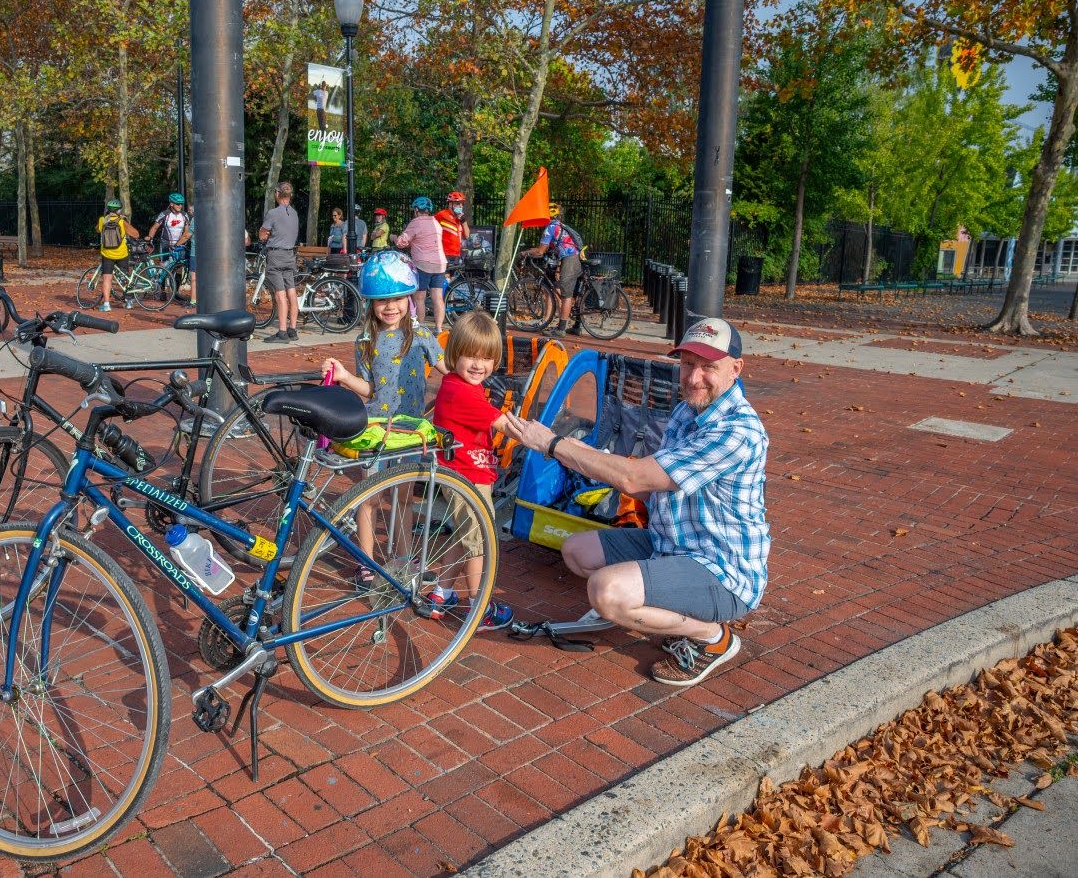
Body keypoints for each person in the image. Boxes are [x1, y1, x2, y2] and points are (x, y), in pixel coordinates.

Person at [504, 317, 769, 687]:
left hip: (721, 569)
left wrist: (552, 445)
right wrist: (573, 449)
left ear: (735, 369)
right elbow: (649, 488)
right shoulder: (687, 410)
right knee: (576, 550)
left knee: (606, 591)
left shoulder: (736, 431)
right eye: (688, 364)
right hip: (671, 545)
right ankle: (652, 602)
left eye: (709, 367)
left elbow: (634, 478)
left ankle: (712, 637)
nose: (694, 378)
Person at [320, 250, 446, 587]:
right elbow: (370, 389)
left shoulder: (421, 337)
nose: (389, 307)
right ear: (370, 303)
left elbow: (448, 371)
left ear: (409, 298)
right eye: (381, 301)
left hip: (408, 432)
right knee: (369, 497)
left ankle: (402, 558)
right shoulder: (365, 340)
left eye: (396, 298)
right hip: (375, 429)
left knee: (403, 498)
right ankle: (365, 562)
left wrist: (470, 379)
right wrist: (345, 376)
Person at [429, 310, 517, 631]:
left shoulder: (458, 384)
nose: (479, 365)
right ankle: (480, 607)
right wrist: (537, 437)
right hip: (468, 478)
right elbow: (501, 422)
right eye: (471, 356)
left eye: (487, 358)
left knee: (466, 535)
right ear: (454, 355)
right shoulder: (461, 392)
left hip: (466, 474)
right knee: (479, 541)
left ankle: (442, 593)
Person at [519, 202, 582, 338]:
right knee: (570, 292)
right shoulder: (560, 225)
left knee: (566, 295)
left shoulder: (550, 228)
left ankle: (561, 329)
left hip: (569, 259)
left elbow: (541, 251)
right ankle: (577, 325)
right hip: (572, 257)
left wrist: (526, 252)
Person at [394, 196, 447, 334]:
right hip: (440, 264)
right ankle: (439, 328)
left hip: (423, 264)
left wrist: (394, 237)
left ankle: (420, 327)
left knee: (419, 297)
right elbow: (425, 241)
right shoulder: (436, 223)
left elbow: (401, 242)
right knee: (437, 297)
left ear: (417, 210)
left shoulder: (416, 222)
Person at [258, 181, 300, 343]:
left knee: (280, 294)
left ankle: (282, 332)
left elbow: (263, 235)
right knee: (291, 290)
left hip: (276, 256)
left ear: (277, 194)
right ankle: (292, 330)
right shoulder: (295, 213)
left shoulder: (273, 213)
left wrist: (264, 233)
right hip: (290, 255)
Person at [96, 199, 140, 312]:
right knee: (125, 277)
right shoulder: (122, 221)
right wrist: (124, 220)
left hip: (107, 254)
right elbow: (136, 234)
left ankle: (106, 305)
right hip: (122, 254)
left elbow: (97, 229)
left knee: (107, 278)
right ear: (119, 210)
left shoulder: (102, 220)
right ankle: (128, 302)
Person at [145, 192, 191, 264]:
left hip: (179, 243)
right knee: (164, 265)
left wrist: (181, 242)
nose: (180, 206)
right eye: (178, 204)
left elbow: (187, 231)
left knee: (178, 264)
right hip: (165, 243)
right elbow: (154, 228)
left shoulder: (184, 215)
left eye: (181, 204)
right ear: (171, 204)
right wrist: (150, 238)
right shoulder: (164, 214)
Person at [436, 191, 470, 266]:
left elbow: (467, 235)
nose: (461, 206)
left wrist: (463, 221)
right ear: (450, 204)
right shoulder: (442, 215)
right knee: (445, 277)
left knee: (452, 277)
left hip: (456, 254)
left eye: (462, 204)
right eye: (458, 203)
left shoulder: (460, 218)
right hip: (444, 253)